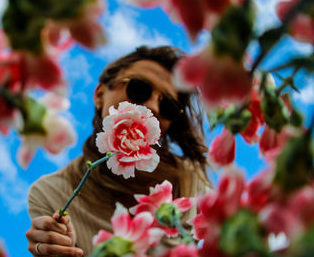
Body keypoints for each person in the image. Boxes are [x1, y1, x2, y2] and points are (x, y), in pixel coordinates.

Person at [25, 46, 212, 256]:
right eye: (140, 89)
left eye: (168, 106)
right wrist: (57, 245)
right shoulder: (49, 193)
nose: (154, 108)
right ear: (100, 94)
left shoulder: (189, 179)